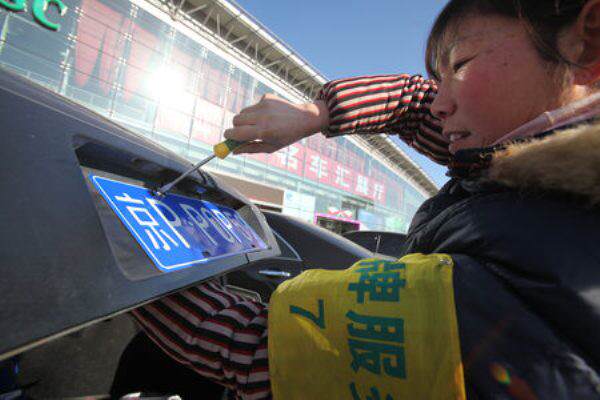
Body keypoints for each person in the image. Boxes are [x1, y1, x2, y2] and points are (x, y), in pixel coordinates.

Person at [131, 0, 600, 398]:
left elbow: (259, 348)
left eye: (460, 65)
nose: (440, 103)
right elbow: (416, 104)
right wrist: (314, 113)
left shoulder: (518, 264)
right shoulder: (538, 177)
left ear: (589, 41)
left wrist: (125, 258)